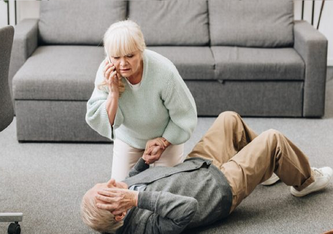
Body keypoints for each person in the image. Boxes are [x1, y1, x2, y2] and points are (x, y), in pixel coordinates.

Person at [81, 111, 333, 234]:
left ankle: (269, 169)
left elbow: (129, 180)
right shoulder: (147, 227)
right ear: (120, 212)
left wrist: (142, 164)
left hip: (197, 164)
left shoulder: (123, 194)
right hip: (221, 186)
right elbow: (187, 208)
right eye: (110, 188)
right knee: (273, 140)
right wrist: (137, 199)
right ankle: (305, 181)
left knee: (229, 119)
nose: (114, 181)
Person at [85, 20, 197, 181]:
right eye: (116, 57)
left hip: (164, 138)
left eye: (130, 56)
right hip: (129, 138)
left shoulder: (165, 72)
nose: (123, 63)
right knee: (120, 193)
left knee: (165, 191)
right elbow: (104, 120)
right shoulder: (107, 70)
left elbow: (185, 115)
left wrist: (164, 142)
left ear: (141, 50)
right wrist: (113, 92)